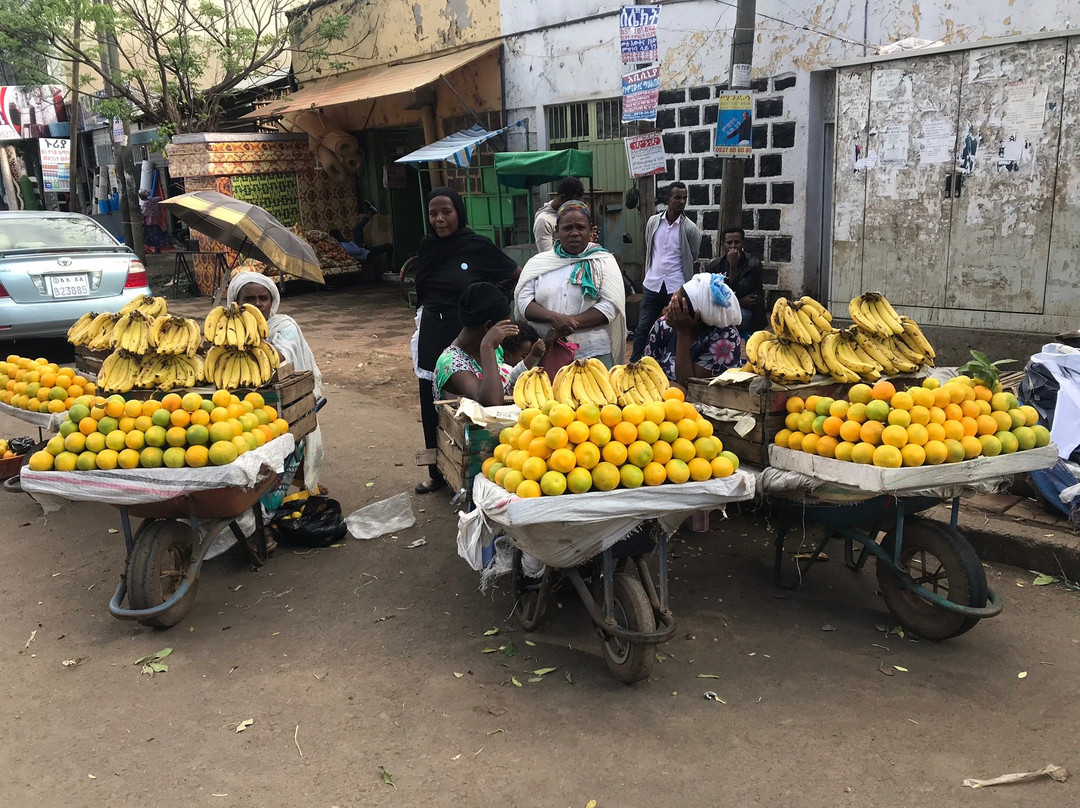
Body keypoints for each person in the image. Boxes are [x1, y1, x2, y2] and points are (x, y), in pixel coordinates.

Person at [411, 186, 520, 494]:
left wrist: (493, 303)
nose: (439, 219)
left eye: (447, 212)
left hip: (470, 331)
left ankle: (475, 465)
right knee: (433, 405)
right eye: (433, 213)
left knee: (478, 399)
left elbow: (515, 273)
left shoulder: (477, 247)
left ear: (459, 212)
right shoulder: (427, 247)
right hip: (433, 331)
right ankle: (438, 470)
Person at [226, 271, 324, 492]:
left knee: (296, 437)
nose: (258, 304)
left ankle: (305, 480)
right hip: (241, 399)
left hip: (282, 396)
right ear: (237, 302)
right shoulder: (226, 329)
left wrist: (250, 344)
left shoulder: (284, 325)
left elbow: (282, 354)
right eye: (249, 299)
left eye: (263, 298)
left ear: (272, 301)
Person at [515, 200, 626, 368]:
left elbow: (610, 306)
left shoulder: (604, 262)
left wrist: (564, 326)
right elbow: (523, 302)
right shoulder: (538, 263)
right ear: (557, 231)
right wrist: (554, 318)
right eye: (567, 228)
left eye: (580, 227)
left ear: (590, 230)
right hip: (546, 350)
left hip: (594, 354)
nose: (574, 233)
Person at [630, 182, 701, 361]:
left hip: (676, 287)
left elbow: (692, 255)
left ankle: (671, 364)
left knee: (675, 327)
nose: (682, 201)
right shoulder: (654, 222)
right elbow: (649, 247)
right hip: (653, 284)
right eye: (677, 197)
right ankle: (634, 363)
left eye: (684, 198)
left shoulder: (690, 229)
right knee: (643, 328)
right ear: (668, 199)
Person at [643, 272, 742, 390]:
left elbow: (691, 386)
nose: (667, 309)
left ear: (696, 317)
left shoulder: (725, 337)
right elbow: (646, 373)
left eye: (676, 308)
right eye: (671, 301)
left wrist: (683, 333)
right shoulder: (662, 326)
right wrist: (668, 386)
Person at [433, 283, 519, 406]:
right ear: (488, 327)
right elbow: (492, 402)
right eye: (504, 327)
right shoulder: (452, 362)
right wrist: (487, 347)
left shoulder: (495, 348)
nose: (507, 335)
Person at [707, 226, 764, 338]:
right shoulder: (715, 266)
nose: (733, 246)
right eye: (729, 242)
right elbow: (712, 294)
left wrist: (733, 265)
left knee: (742, 316)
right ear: (723, 244)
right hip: (725, 308)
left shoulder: (753, 264)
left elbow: (741, 290)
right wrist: (740, 301)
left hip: (749, 312)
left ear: (743, 244)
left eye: (737, 242)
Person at [329, 204, 394, 269]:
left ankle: (371, 212)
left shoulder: (341, 244)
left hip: (363, 249)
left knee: (356, 230)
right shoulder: (343, 245)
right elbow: (358, 251)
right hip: (366, 254)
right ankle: (390, 269)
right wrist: (350, 241)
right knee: (389, 246)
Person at [533, 176, 585, 252]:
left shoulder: (568, 214)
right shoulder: (544, 221)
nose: (573, 207)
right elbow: (546, 255)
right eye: (571, 203)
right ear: (562, 198)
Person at [139, 189, 169, 254]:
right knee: (156, 234)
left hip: (149, 222)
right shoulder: (154, 201)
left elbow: (144, 213)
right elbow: (159, 199)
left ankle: (155, 249)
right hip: (155, 221)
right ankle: (157, 249)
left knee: (151, 235)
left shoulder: (146, 203)